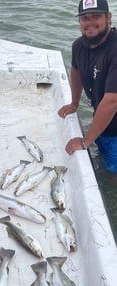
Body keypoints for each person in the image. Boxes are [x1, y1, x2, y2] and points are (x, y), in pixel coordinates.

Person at [58, 0, 117, 174]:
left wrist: (85, 142)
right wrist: (74, 103)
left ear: (108, 17)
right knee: (105, 165)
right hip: (103, 125)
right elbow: (76, 69)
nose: (90, 22)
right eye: (85, 18)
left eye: (96, 16)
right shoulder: (79, 46)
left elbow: (113, 101)